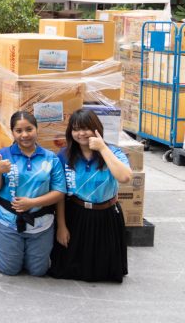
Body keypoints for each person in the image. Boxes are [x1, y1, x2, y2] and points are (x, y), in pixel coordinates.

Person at [49, 109, 131, 282]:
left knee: (104, 271)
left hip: (106, 214)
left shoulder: (113, 153)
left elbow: (124, 177)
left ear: (96, 129)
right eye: (76, 129)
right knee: (69, 269)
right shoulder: (64, 156)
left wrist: (102, 148)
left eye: (86, 128)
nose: (81, 133)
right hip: (76, 213)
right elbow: (60, 194)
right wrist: (61, 226)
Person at [0, 111, 66, 276]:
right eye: (19, 131)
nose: (25, 135)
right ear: (13, 133)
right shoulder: (1, 155)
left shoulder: (51, 158)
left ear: (37, 129)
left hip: (41, 222)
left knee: (38, 271)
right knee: (10, 269)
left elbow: (59, 192)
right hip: (6, 220)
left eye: (29, 129)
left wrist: (32, 203)